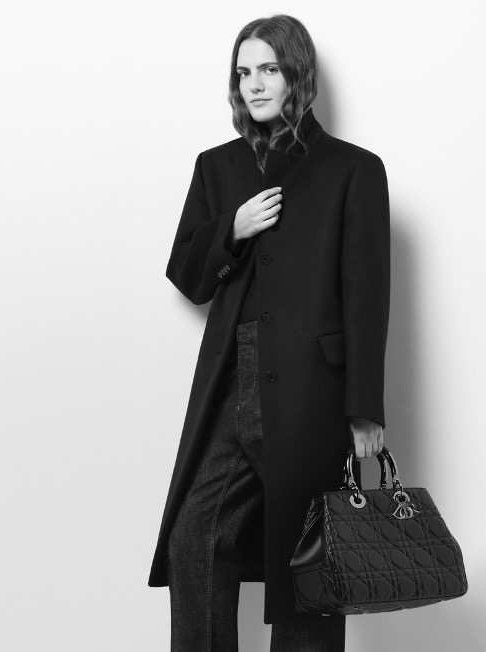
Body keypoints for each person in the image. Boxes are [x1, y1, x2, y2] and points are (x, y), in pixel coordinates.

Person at [147, 14, 391, 652]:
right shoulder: (217, 167)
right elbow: (187, 275)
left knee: (311, 560)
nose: (253, 84)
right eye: (243, 72)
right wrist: (232, 229)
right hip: (232, 380)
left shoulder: (352, 169)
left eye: (269, 69)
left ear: (296, 74)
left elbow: (367, 296)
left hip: (312, 390)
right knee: (195, 537)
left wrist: (365, 407)